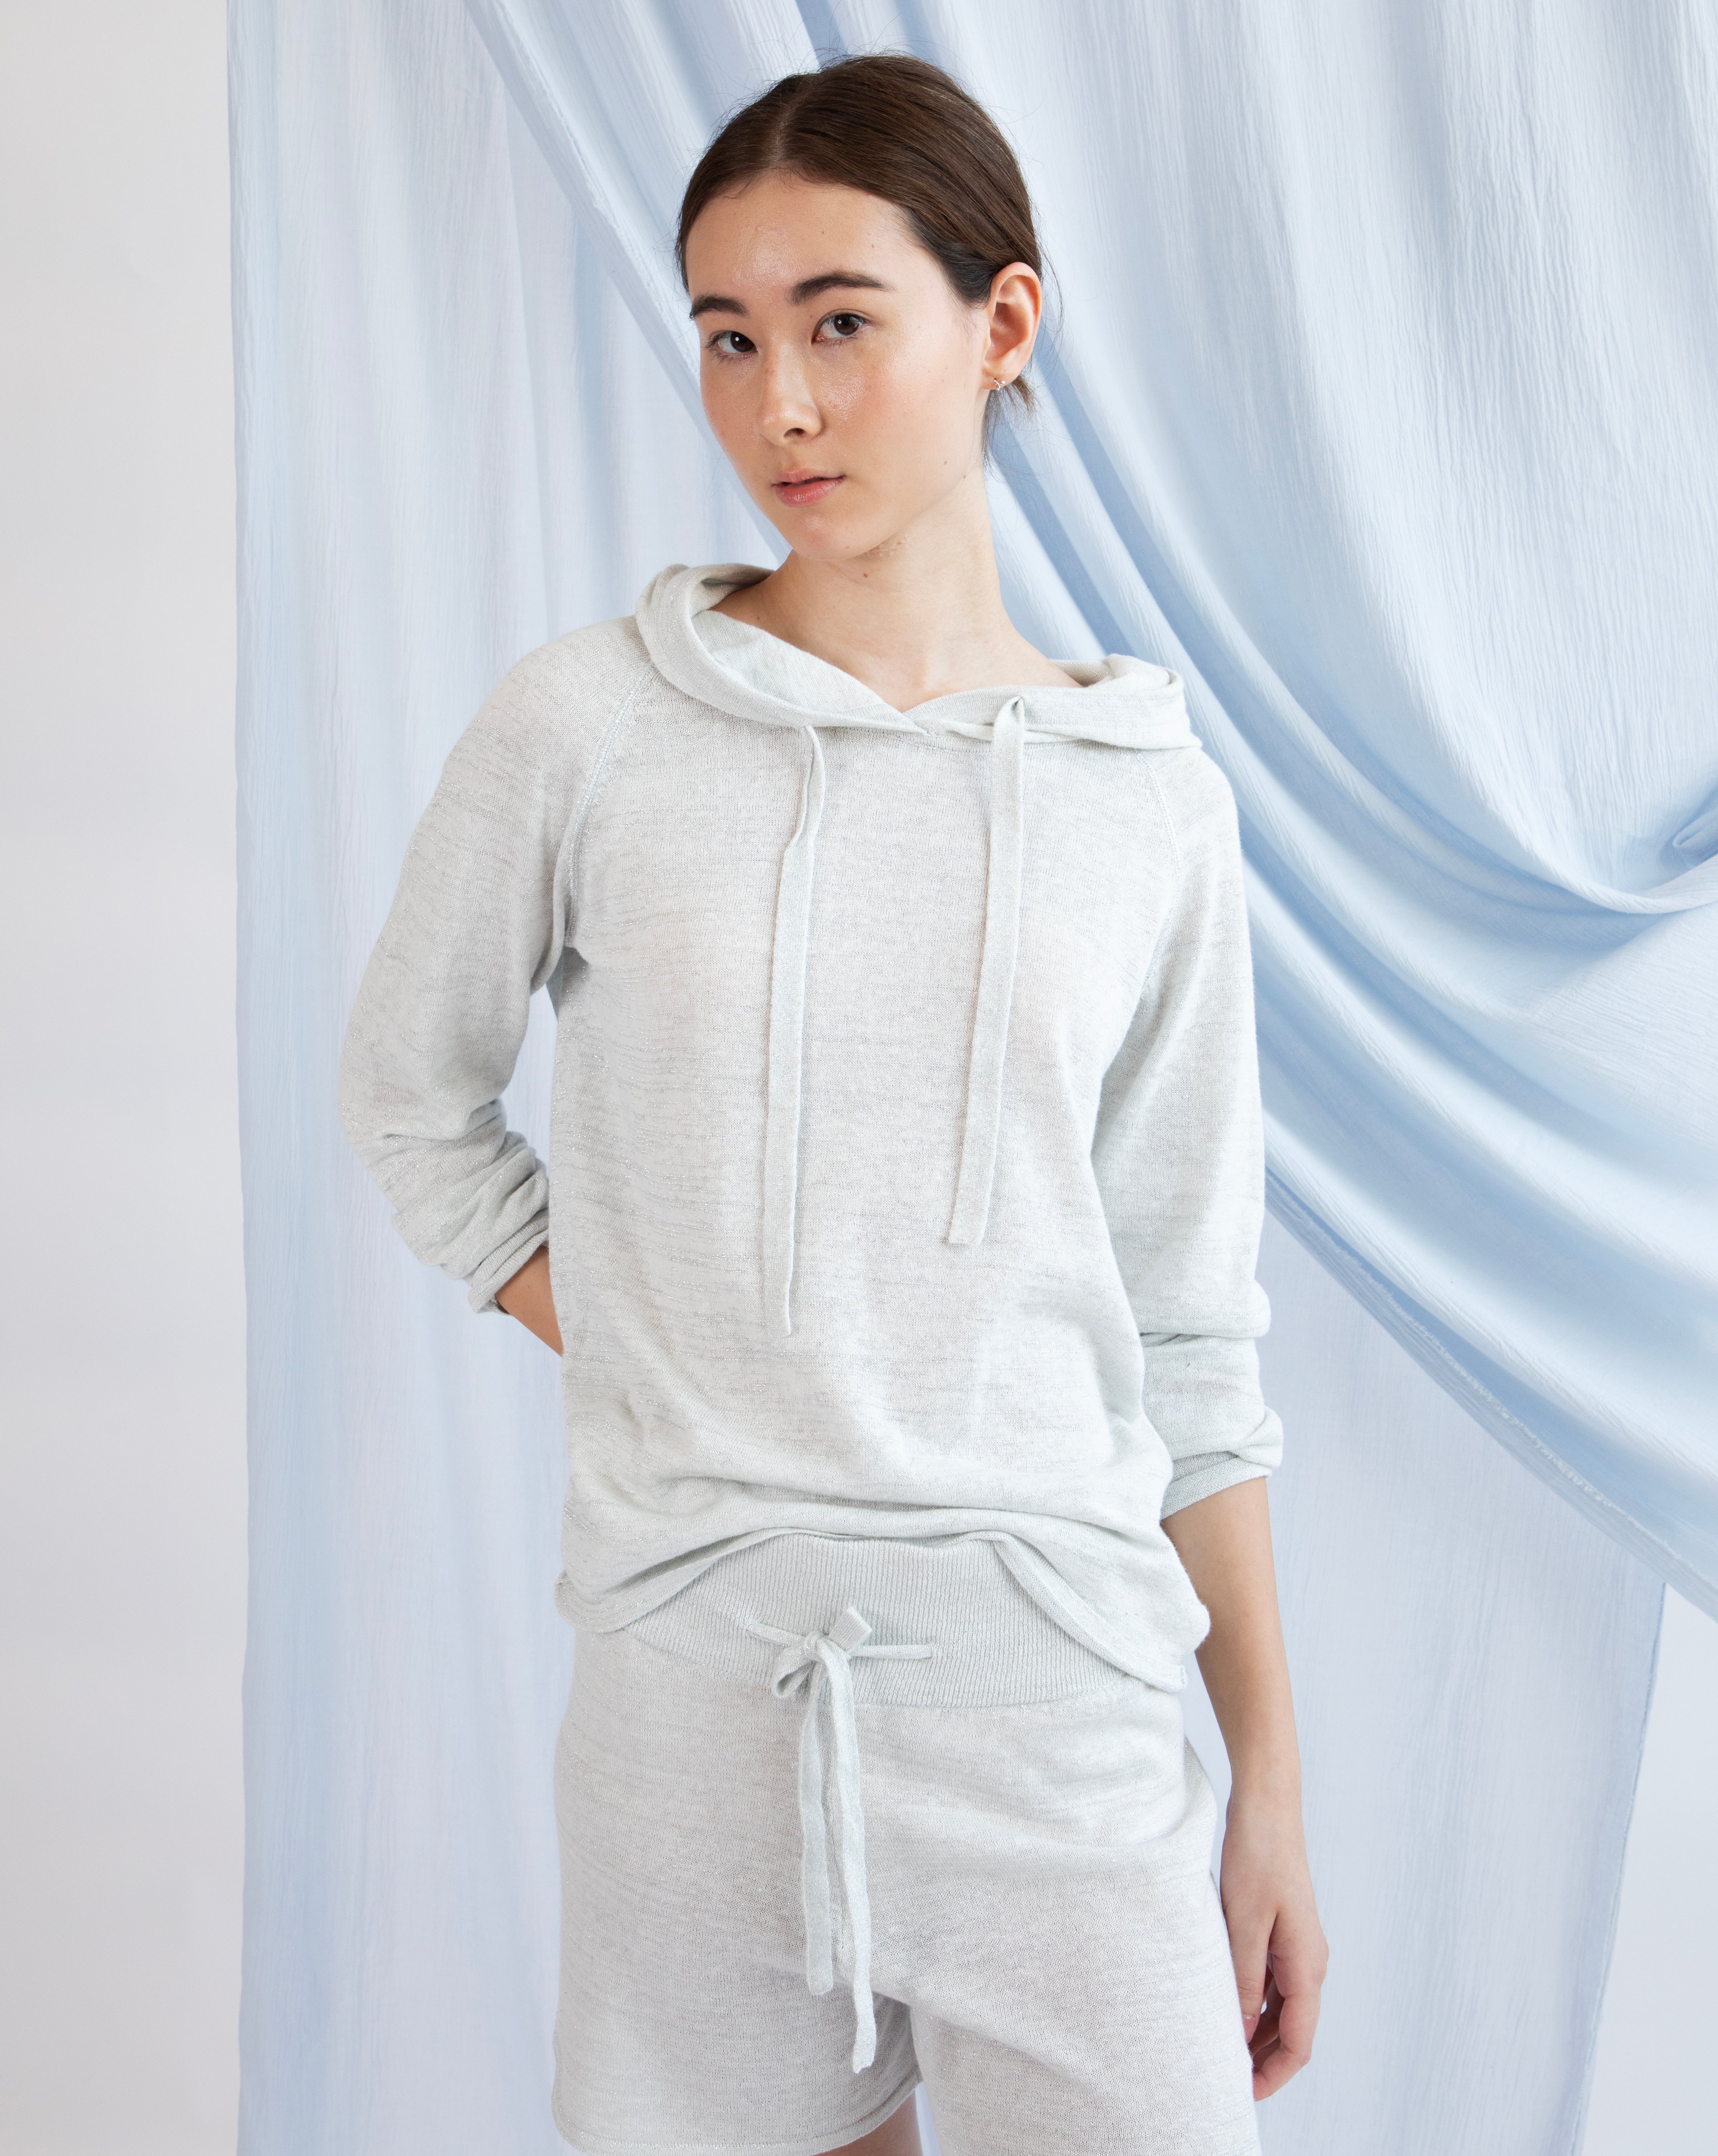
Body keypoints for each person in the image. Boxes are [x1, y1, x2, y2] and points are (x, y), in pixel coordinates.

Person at [339, 49, 1327, 2156]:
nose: (779, 403)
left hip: (1057, 1711)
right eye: (728, 337)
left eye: (841, 325)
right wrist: (637, 1323)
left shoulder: (1147, 800)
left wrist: (1269, 1786)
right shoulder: (589, 727)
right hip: (696, 1711)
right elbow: (409, 1096)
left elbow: (1190, 1333)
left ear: (1003, 322)